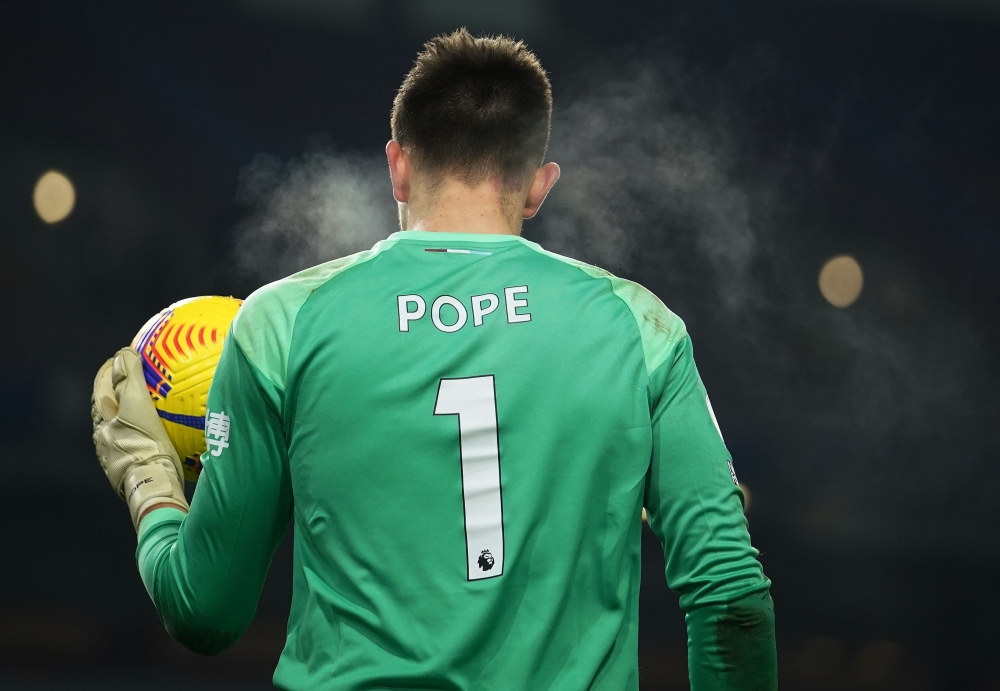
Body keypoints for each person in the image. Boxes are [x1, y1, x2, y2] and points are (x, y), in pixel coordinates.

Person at [91, 28, 777, 690]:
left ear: (397, 164)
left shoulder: (279, 325)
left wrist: (147, 477)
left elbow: (205, 612)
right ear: (538, 184)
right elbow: (734, 600)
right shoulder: (640, 327)